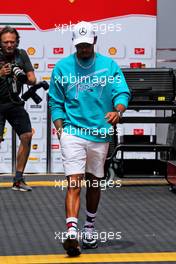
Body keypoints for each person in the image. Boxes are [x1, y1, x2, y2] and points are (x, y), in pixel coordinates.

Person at [49, 21, 131, 256]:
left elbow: (122, 91)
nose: (83, 49)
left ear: (94, 41)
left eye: (86, 45)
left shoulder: (108, 65)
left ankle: (89, 228)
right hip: (72, 132)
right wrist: (60, 127)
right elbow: (55, 101)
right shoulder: (63, 67)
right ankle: (72, 232)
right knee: (74, 181)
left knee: (94, 181)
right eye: (79, 46)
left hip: (100, 132)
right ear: (74, 44)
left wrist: (118, 110)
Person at [0, 26, 37, 191]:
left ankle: (18, 179)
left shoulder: (21, 54)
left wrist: (23, 76)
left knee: (27, 135)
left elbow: (32, 78)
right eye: (5, 42)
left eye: (12, 42)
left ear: (17, 42)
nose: (9, 45)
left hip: (15, 102)